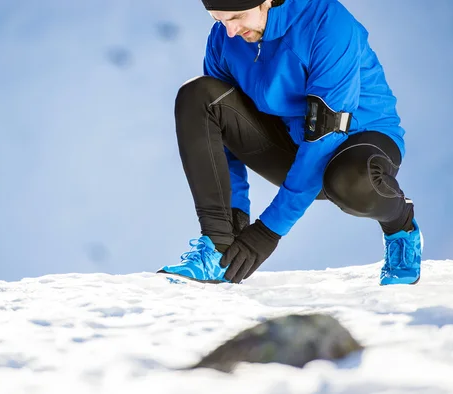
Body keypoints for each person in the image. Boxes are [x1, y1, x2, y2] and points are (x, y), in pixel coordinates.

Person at [157, 0, 423, 286]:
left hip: (359, 141)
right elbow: (220, 134)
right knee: (199, 95)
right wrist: (233, 222)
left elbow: (325, 136)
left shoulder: (327, 22)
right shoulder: (224, 38)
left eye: (236, 17)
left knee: (350, 183)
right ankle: (215, 249)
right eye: (219, 19)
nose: (230, 30)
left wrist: (268, 231)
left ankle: (401, 226)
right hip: (291, 143)